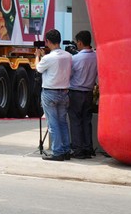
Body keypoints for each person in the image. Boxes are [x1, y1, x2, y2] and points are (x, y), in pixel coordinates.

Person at [35, 28, 73, 161]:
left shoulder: (47, 58)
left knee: (53, 123)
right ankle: (66, 150)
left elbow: (38, 68)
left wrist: (37, 56)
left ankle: (57, 152)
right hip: (64, 92)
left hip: (50, 93)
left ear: (48, 41)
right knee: (63, 122)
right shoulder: (68, 56)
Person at [68, 30, 98, 159]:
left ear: (79, 43)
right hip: (89, 93)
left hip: (75, 93)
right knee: (87, 121)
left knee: (75, 122)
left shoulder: (75, 58)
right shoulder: (97, 57)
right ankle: (88, 147)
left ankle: (78, 149)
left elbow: (69, 75)